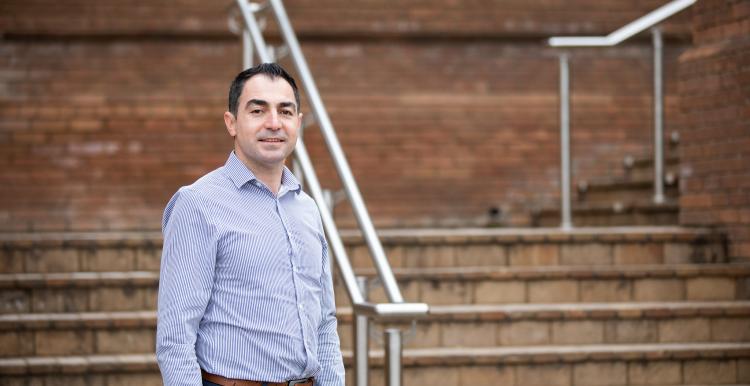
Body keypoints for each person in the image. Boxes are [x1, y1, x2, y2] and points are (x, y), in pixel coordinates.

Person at [156, 62, 345, 386]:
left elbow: (324, 321)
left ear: (298, 123)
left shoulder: (307, 208)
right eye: (258, 111)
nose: (274, 123)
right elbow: (176, 337)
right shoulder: (198, 204)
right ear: (232, 122)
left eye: (285, 112)